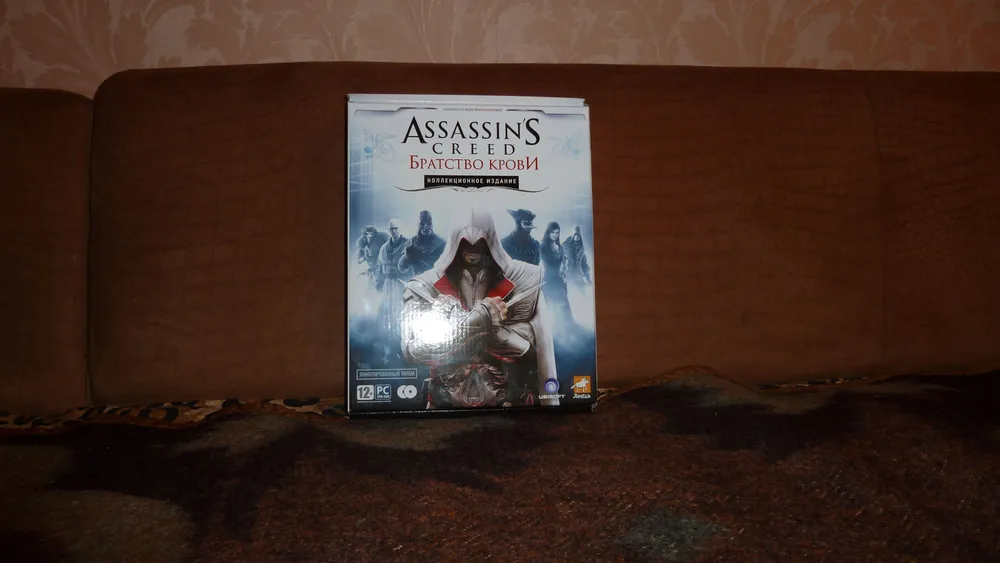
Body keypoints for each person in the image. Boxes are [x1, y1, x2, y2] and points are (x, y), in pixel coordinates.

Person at [399, 208, 559, 409]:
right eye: (465, 242)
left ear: (491, 241)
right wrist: (476, 321)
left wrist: (550, 404)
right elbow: (411, 351)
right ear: (455, 241)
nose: (472, 248)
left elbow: (541, 349)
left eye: (480, 242)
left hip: (507, 405)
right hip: (444, 404)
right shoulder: (423, 285)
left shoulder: (526, 280)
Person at [398, 210, 446, 276]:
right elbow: (401, 268)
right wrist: (407, 257)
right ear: (419, 225)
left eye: (429, 224)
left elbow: (445, 266)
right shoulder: (412, 242)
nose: (426, 227)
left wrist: (423, 257)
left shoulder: (441, 243)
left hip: (435, 279)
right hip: (418, 280)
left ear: (432, 225)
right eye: (423, 224)